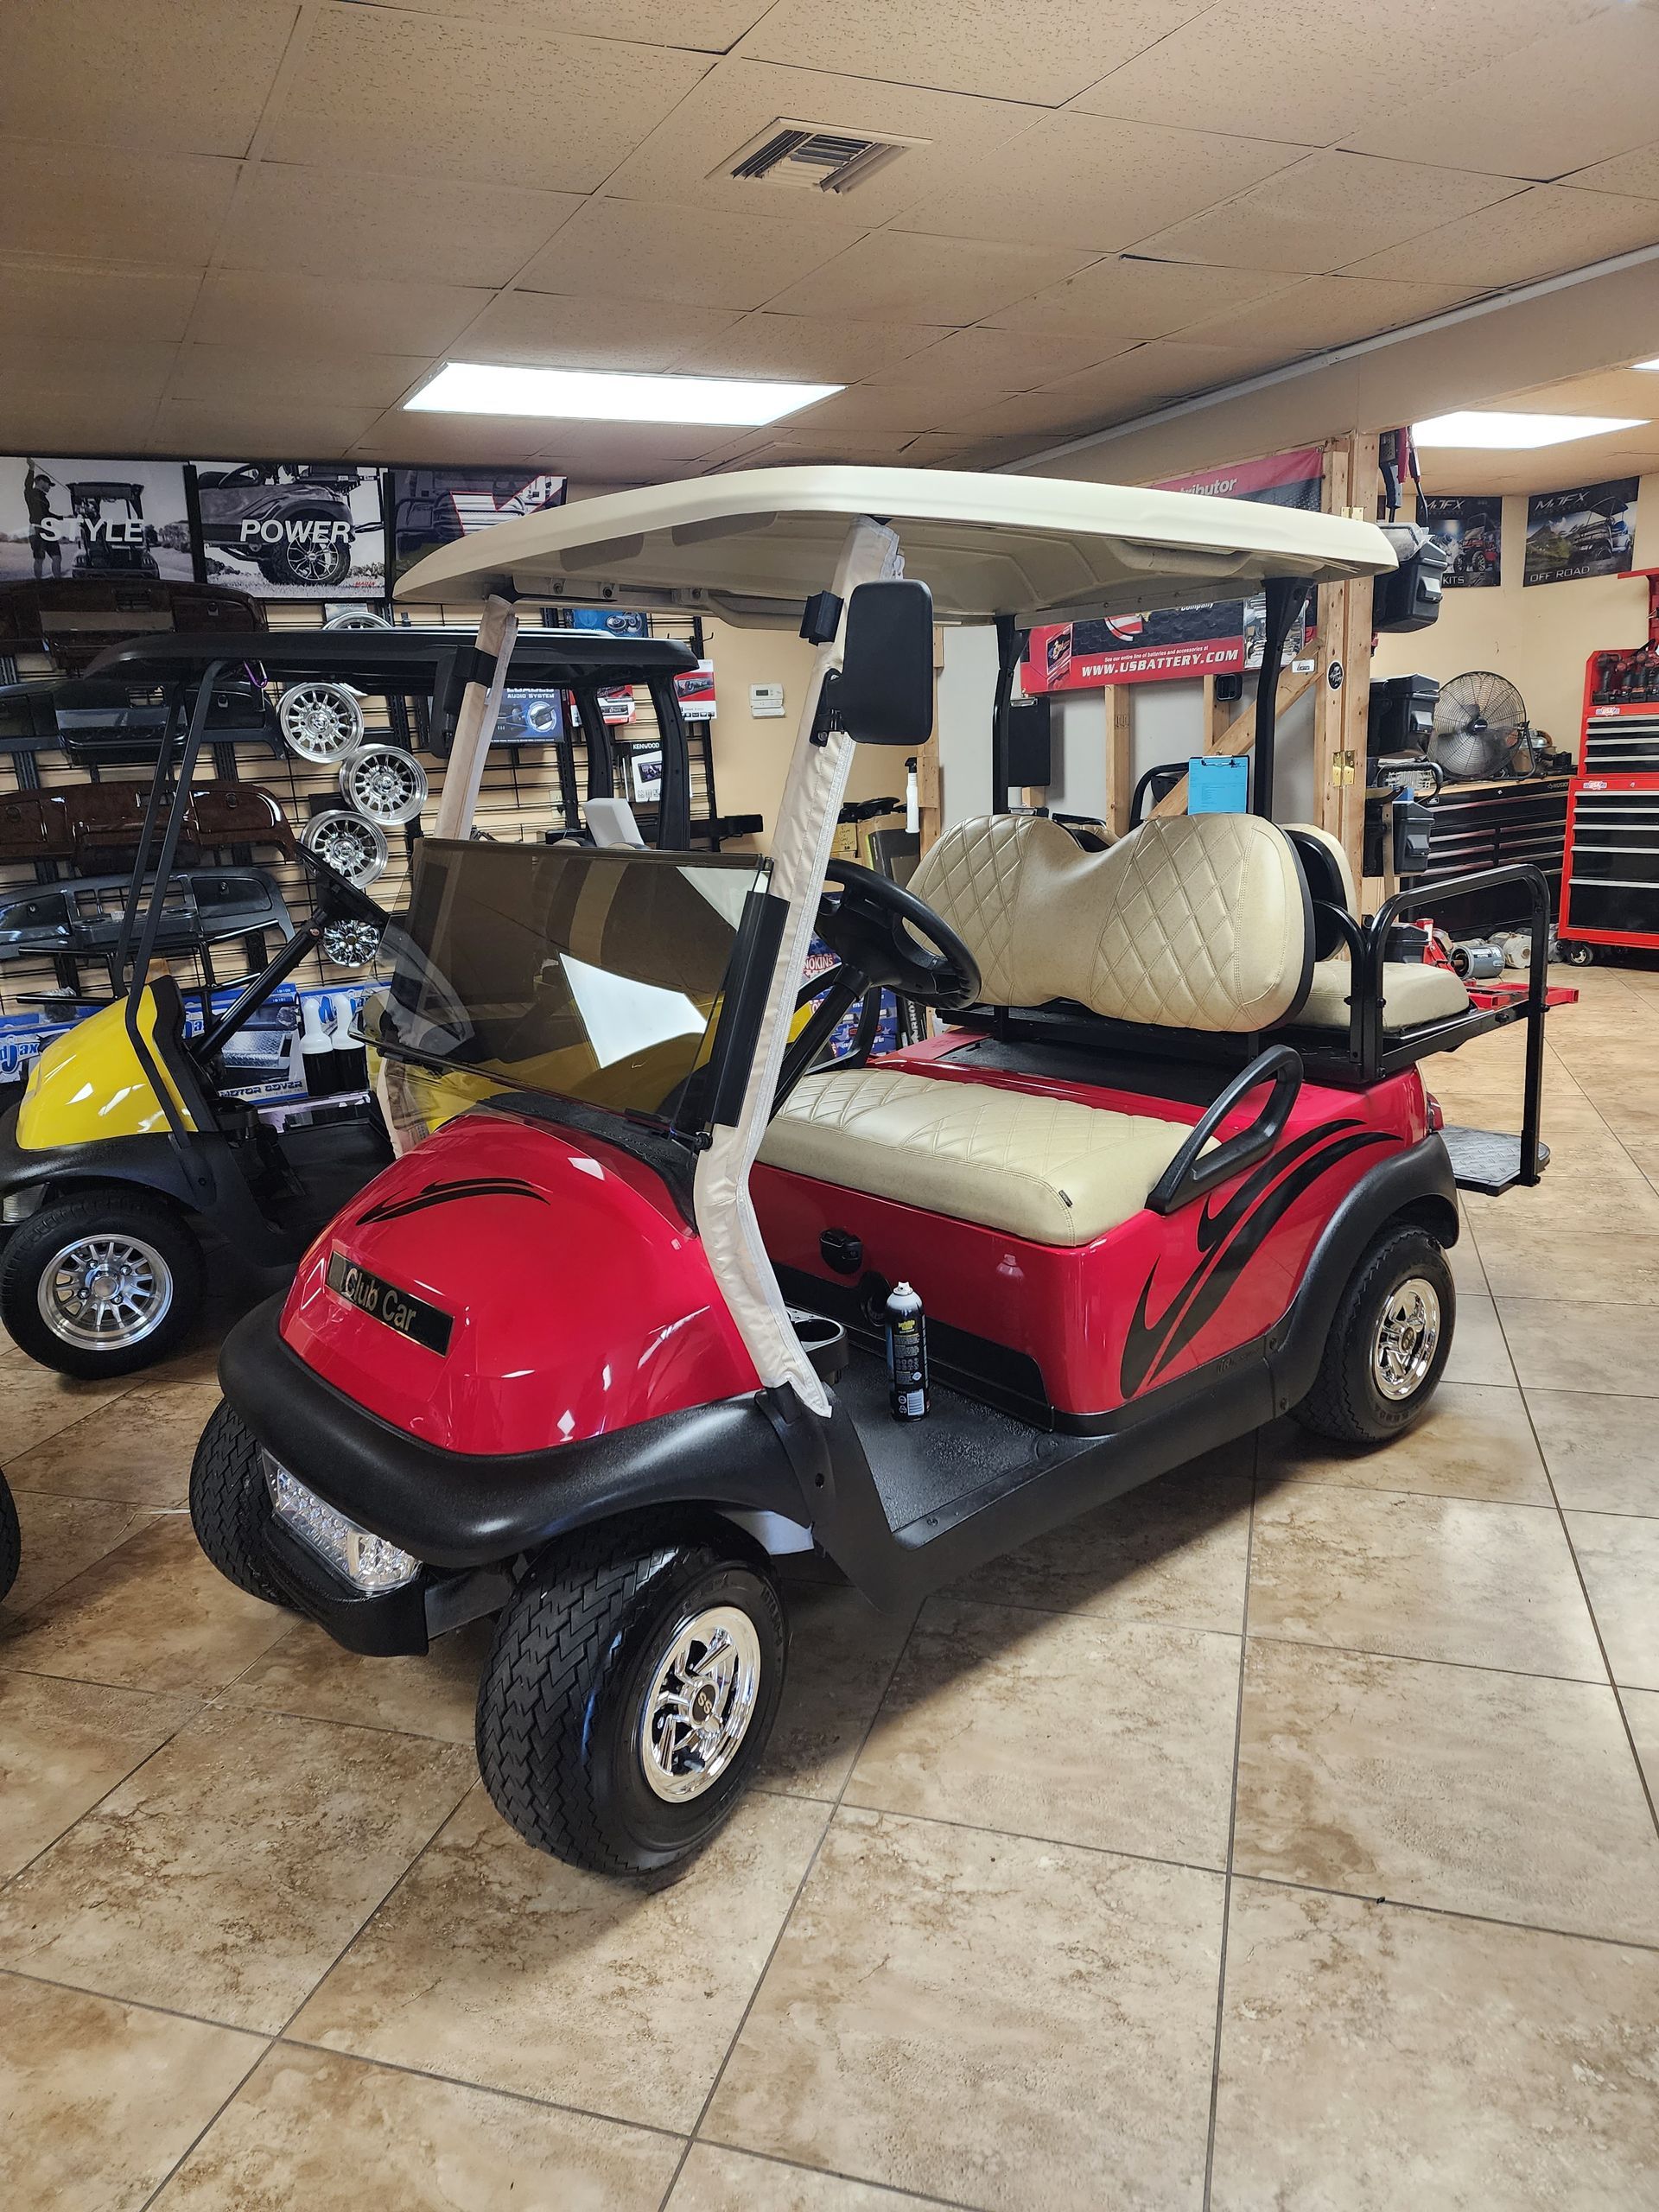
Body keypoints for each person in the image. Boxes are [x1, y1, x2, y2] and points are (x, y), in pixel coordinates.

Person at [23, 461, 62, 580]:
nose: (49, 487)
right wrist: (31, 468)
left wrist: (63, 517)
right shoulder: (31, 493)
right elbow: (28, 485)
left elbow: (48, 514)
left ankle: (58, 581)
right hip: (36, 530)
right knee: (39, 558)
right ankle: (38, 583)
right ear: (40, 482)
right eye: (48, 484)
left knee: (57, 557)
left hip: (48, 530)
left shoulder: (44, 499)